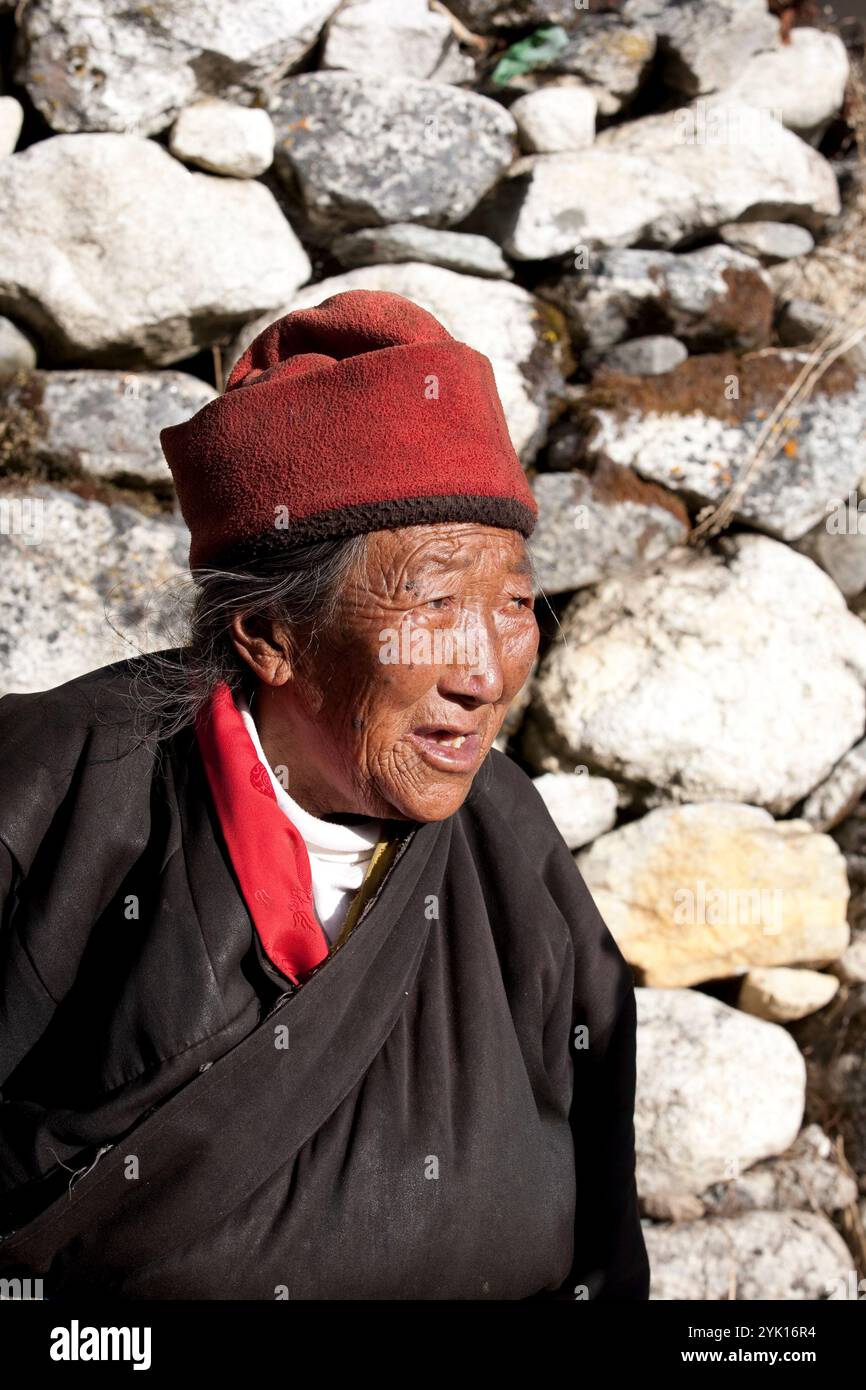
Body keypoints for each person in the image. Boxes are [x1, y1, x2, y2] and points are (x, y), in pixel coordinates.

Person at [0, 289, 649, 1300]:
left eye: (513, 604)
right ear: (270, 636)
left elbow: (603, 1223)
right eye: (431, 602)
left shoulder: (505, 835)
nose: (483, 670)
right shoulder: (61, 794)